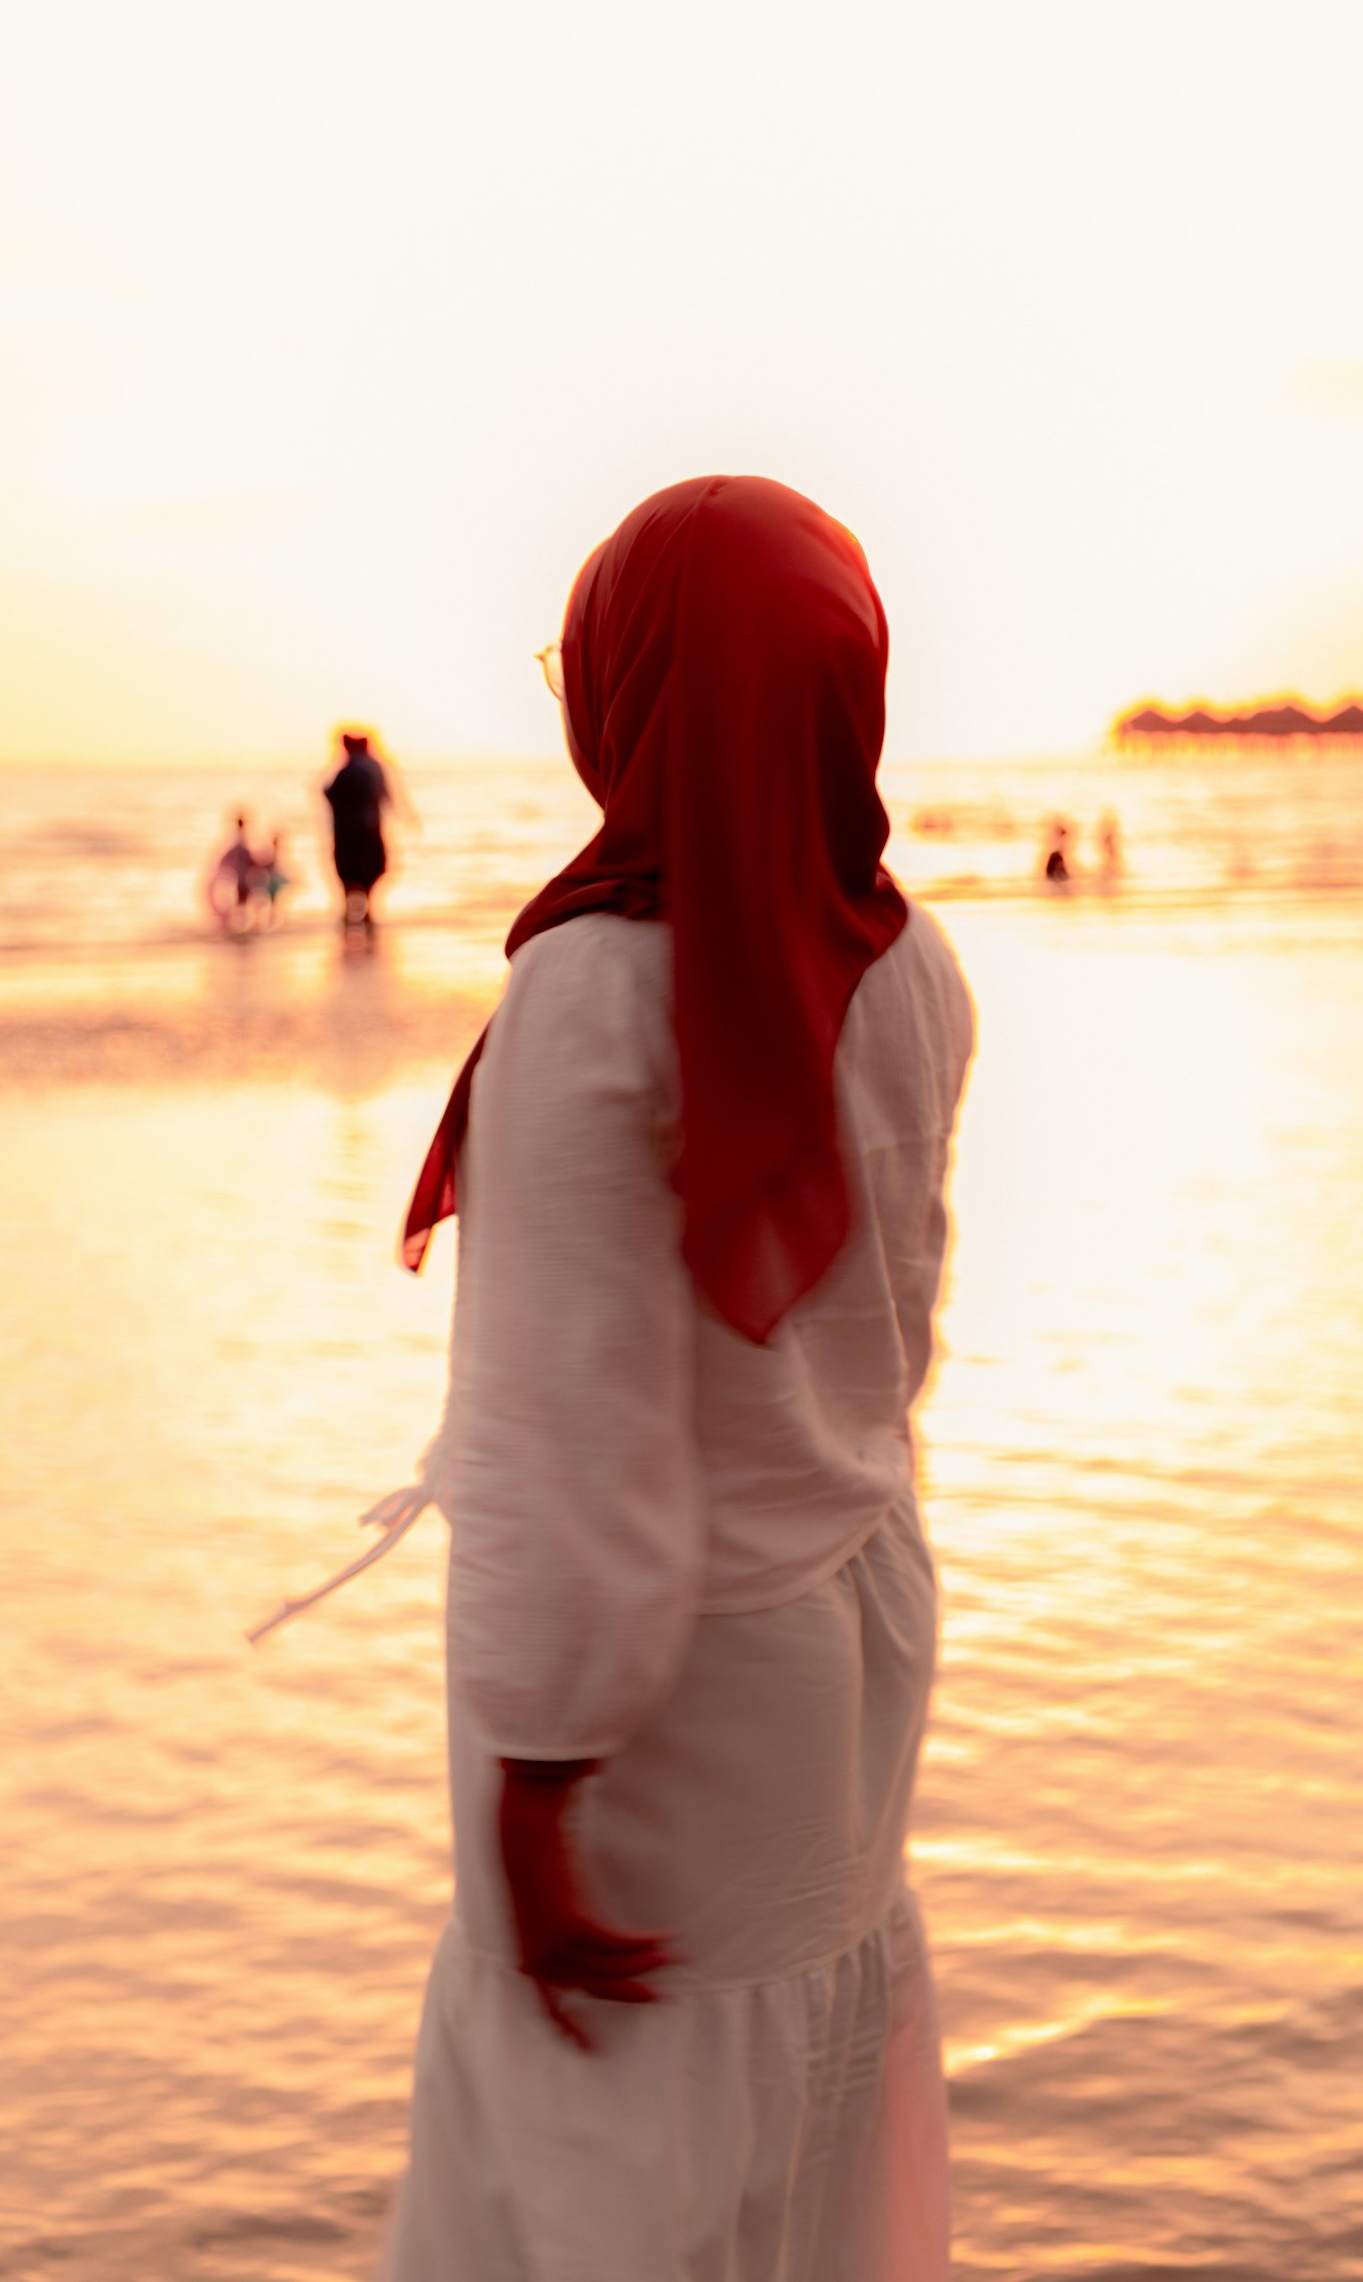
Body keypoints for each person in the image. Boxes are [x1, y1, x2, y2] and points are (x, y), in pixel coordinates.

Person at [382, 476, 976, 2281]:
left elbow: (569, 1436)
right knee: (795, 2149)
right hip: (849, 1651)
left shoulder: (593, 983)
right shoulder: (910, 960)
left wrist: (538, 1782)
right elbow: (896, 1344)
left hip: (651, 1712)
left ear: (634, 693)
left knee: (602, 2177)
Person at [323, 730, 393, 926]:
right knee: (367, 868)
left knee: (351, 868)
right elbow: (386, 795)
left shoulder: (352, 770)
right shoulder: (371, 768)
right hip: (367, 828)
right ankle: (366, 909)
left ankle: (353, 909)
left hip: (349, 830)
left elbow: (329, 794)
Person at [205, 813, 263, 930]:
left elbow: (228, 859)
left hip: (242, 880)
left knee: (243, 904)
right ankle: (241, 926)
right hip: (243, 880)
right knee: (243, 904)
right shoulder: (241, 843)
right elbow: (250, 860)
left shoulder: (239, 842)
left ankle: (239, 926)